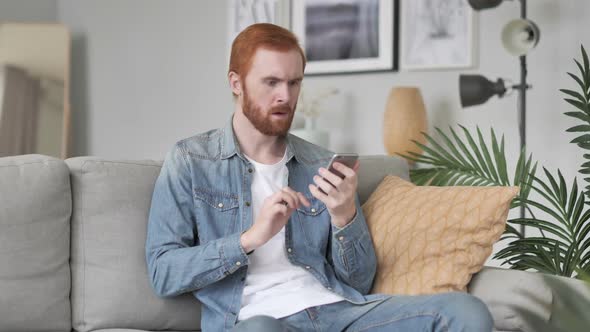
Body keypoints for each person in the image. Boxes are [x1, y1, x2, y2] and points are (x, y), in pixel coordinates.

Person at [145, 23, 494, 332]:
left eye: (294, 82)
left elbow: (358, 281)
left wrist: (345, 218)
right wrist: (251, 238)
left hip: (337, 312)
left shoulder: (320, 163)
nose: (285, 96)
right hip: (257, 321)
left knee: (465, 311)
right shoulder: (191, 160)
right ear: (236, 83)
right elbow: (163, 273)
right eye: (271, 82)